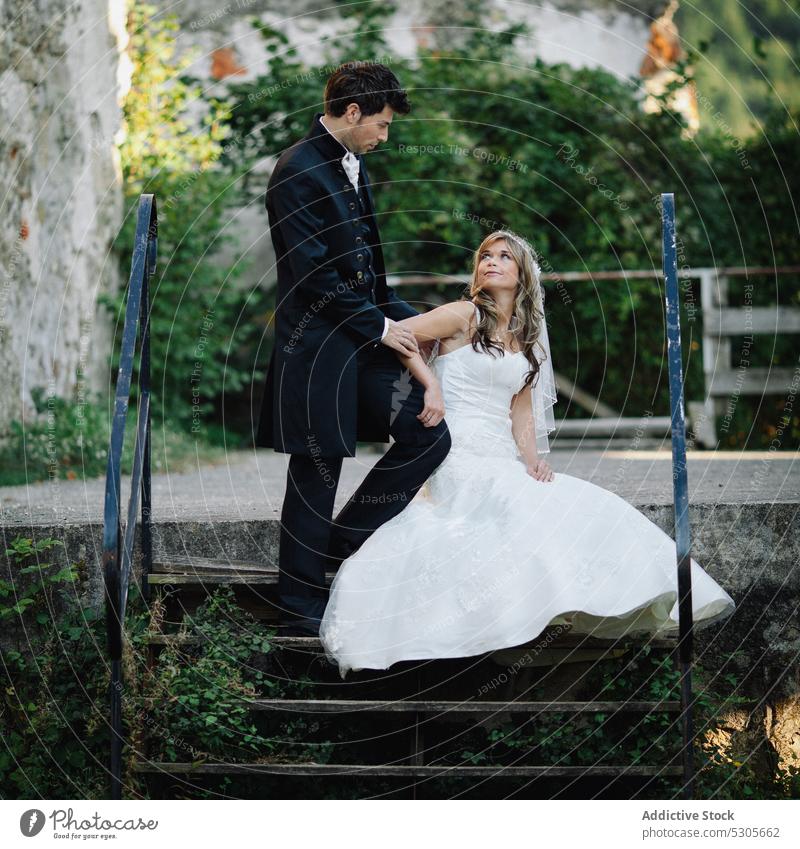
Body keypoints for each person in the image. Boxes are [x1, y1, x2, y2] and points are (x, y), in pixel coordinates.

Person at [318, 230, 736, 677]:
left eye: (503, 257)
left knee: (575, 502)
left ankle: (583, 605)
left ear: (522, 275)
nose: (491, 262)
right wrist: (430, 381)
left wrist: (532, 458)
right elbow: (397, 335)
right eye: (484, 256)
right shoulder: (463, 315)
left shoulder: (526, 335)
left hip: (500, 455)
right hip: (453, 448)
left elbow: (520, 411)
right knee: (504, 508)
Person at [254, 62, 451, 636]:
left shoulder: (352, 164)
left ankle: (340, 544)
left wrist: (416, 320)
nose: (384, 138)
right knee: (316, 470)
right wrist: (385, 329)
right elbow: (312, 277)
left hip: (360, 340)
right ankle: (297, 604)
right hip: (317, 347)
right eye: (383, 125)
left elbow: (367, 272)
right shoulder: (297, 170)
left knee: (427, 436)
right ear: (353, 112)